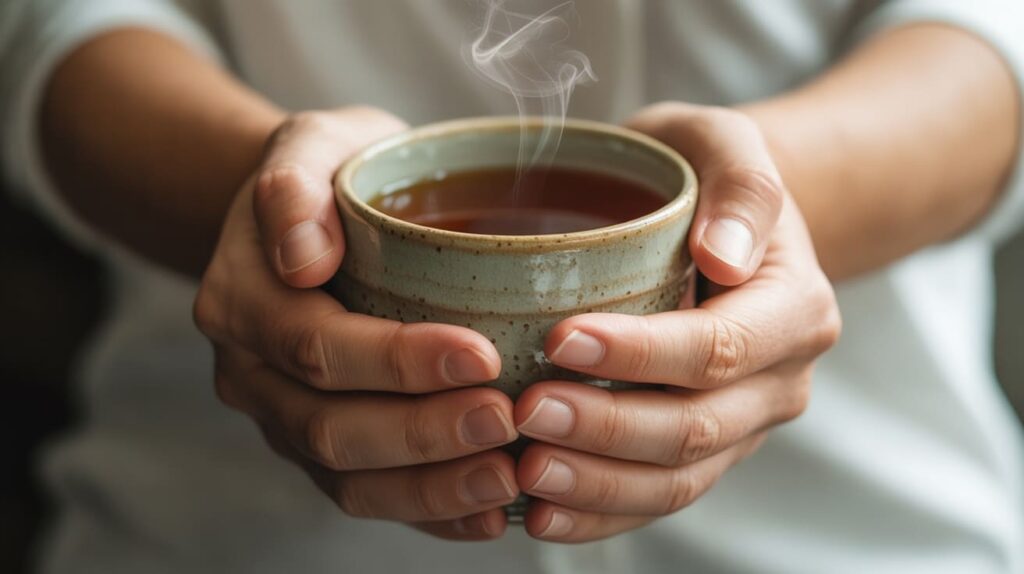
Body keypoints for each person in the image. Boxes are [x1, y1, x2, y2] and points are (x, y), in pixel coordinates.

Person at [1, 1, 1022, 572]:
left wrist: (760, 209)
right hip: (225, 536)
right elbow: (54, 24)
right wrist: (268, 202)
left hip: (864, 532)